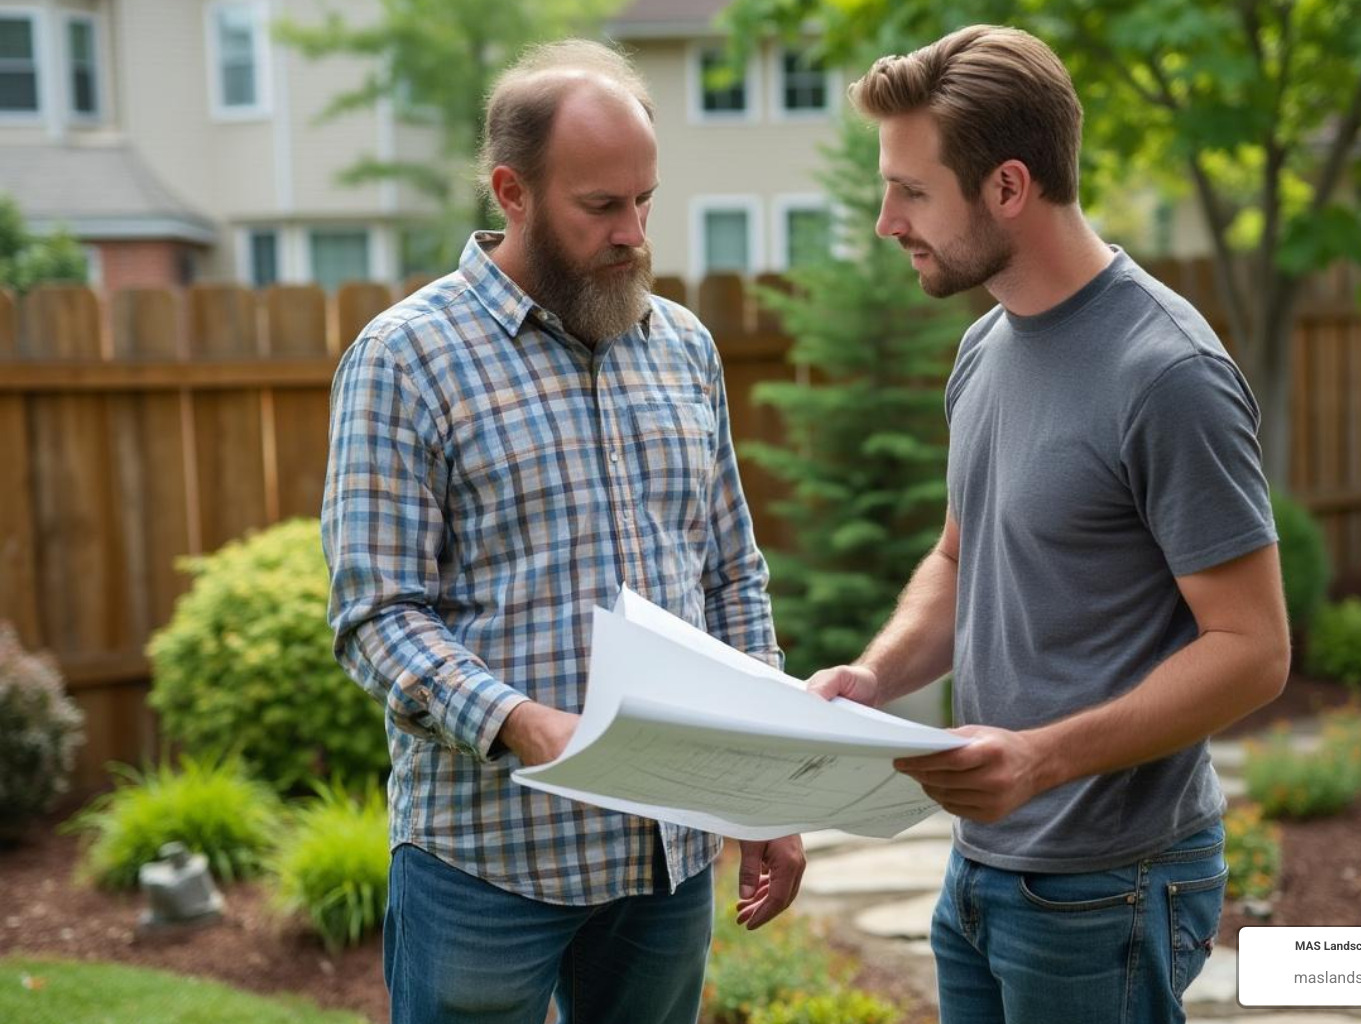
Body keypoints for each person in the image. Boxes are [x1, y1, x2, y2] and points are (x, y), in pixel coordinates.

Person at [808, 25, 1291, 1024]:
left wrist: (1043, 759)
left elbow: (1254, 649)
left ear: (1009, 188)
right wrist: (876, 674)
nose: (885, 219)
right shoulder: (985, 348)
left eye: (911, 190)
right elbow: (957, 557)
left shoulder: (1166, 375)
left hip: (1109, 885)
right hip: (984, 871)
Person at [321, 39, 804, 1024]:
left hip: (664, 863)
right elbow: (377, 615)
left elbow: (729, 579)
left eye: (645, 201)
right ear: (513, 191)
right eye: (601, 207)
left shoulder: (684, 347)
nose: (633, 234)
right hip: (487, 860)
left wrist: (764, 789)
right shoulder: (406, 357)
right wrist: (518, 722)